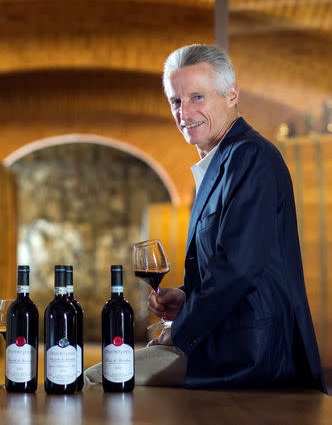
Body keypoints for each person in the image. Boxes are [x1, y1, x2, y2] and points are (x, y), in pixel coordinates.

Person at [84, 44, 326, 391]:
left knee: (99, 378)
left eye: (197, 97)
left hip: (248, 352)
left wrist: (179, 334)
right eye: (176, 101)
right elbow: (234, 261)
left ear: (231, 95)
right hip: (226, 341)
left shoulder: (251, 157)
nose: (184, 112)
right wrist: (186, 297)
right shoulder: (225, 160)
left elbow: (239, 268)